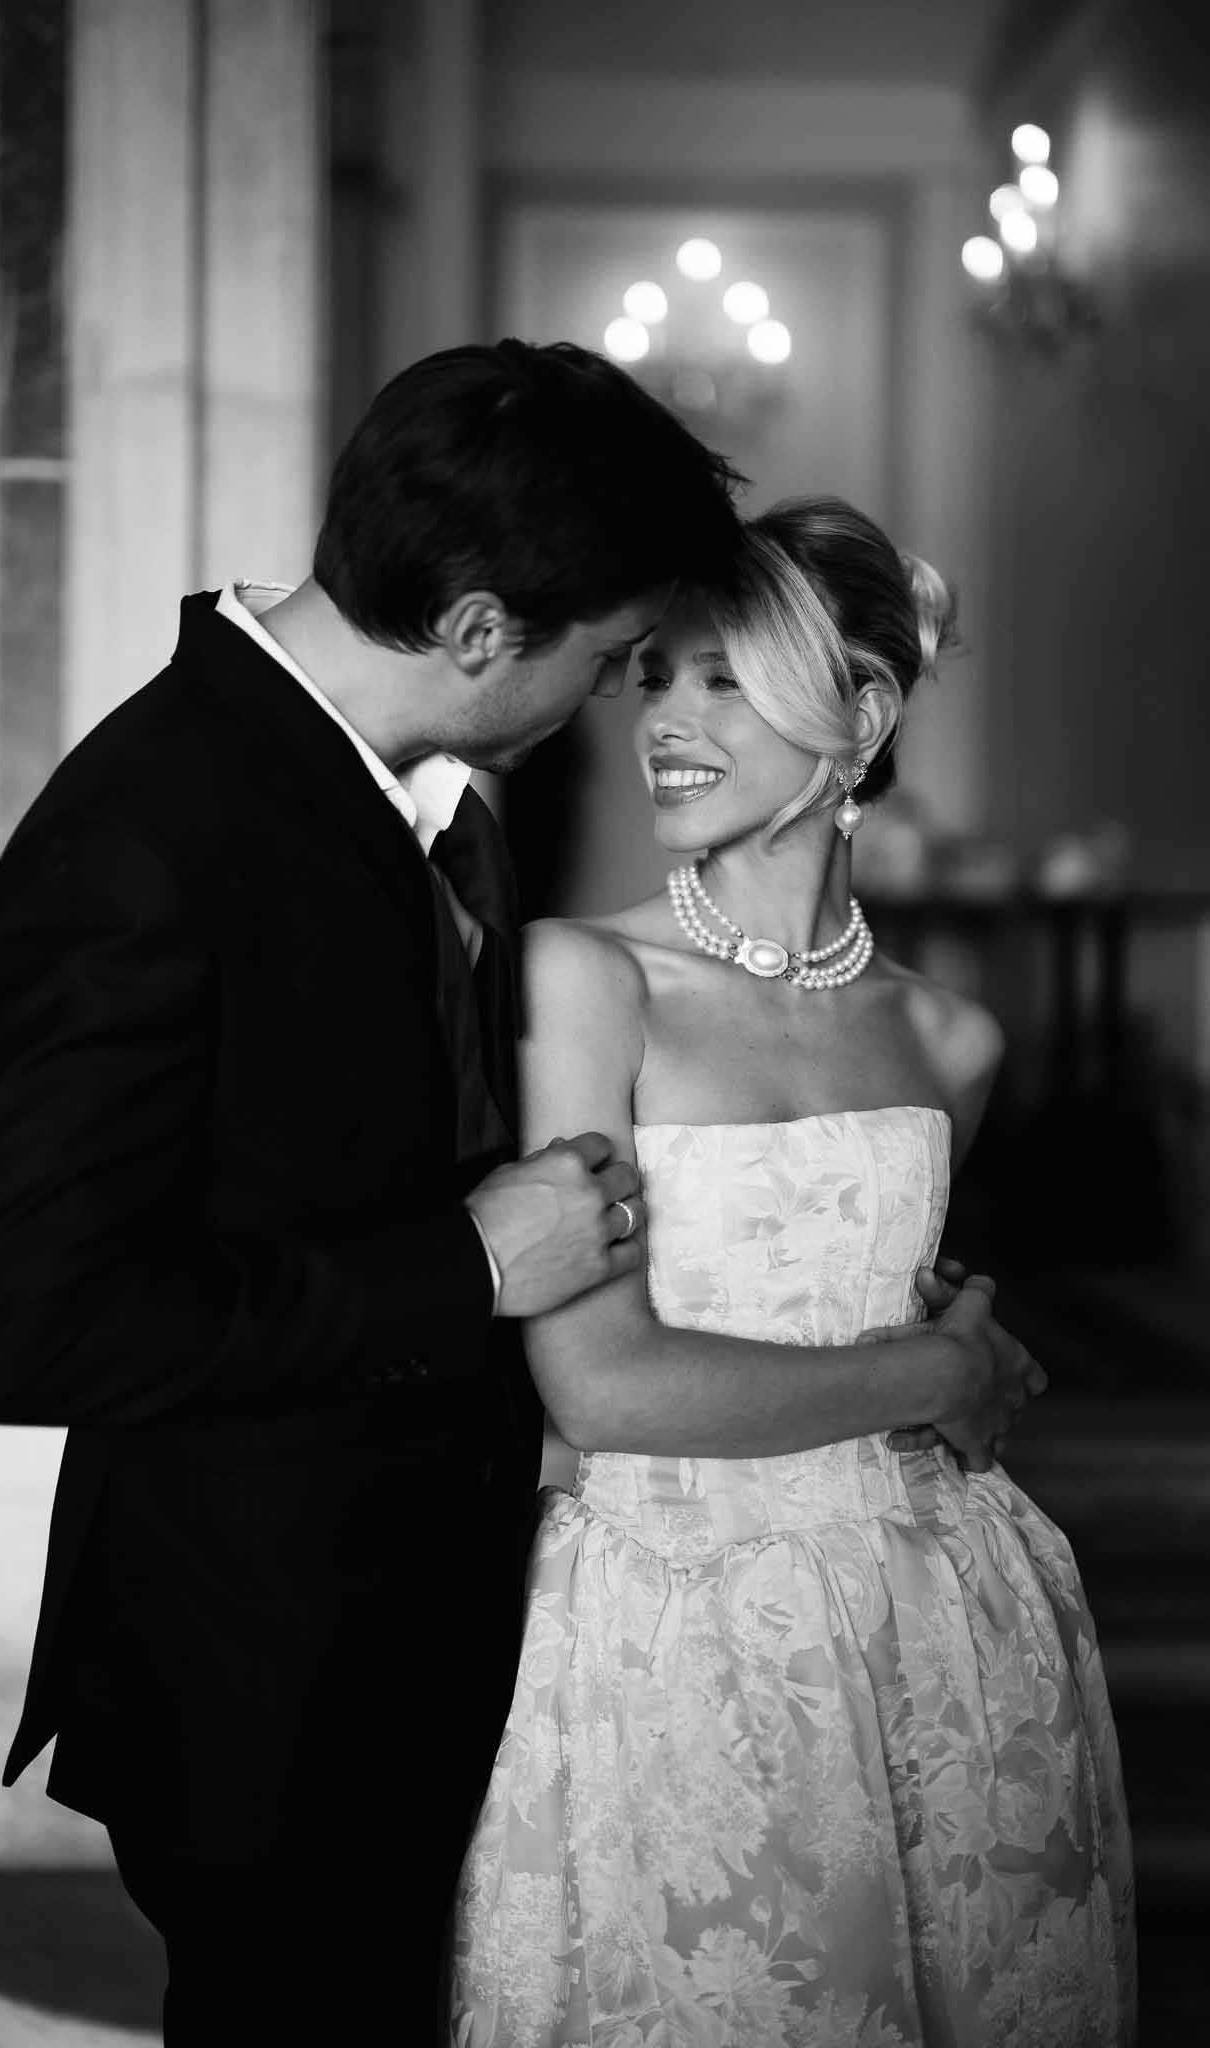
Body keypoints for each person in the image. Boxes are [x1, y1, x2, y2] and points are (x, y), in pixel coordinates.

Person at [0, 338, 1035, 2045]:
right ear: (471, 632)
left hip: (472, 1647)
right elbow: (11, 1330)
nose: (625, 704)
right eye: (613, 658)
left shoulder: (441, 803)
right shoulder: (145, 830)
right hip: (268, 1684)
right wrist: (458, 1265)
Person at [451, 499, 1134, 2047]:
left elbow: (879, 1293)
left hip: (947, 1625)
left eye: (722, 682)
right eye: (656, 679)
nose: (666, 725)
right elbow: (601, 1383)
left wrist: (953, 1344)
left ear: (859, 716)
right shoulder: (582, 977)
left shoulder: (950, 1041)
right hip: (666, 1626)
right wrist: (939, 1372)